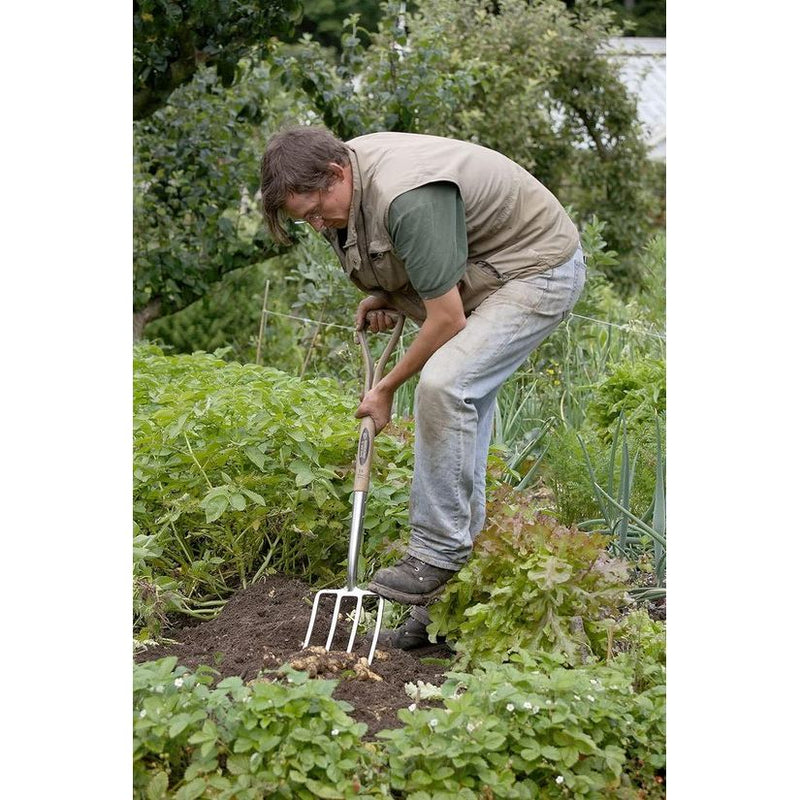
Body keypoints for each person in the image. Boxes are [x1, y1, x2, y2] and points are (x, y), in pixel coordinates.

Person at [260, 126, 585, 649]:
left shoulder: (407, 195)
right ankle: (445, 614)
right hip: (486, 271)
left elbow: (448, 319)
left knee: (445, 384)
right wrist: (390, 293)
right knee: (462, 412)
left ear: (337, 173)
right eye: (305, 220)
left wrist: (385, 387)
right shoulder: (340, 183)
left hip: (535, 269)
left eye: (318, 210)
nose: (318, 225)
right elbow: (412, 261)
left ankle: (436, 556)